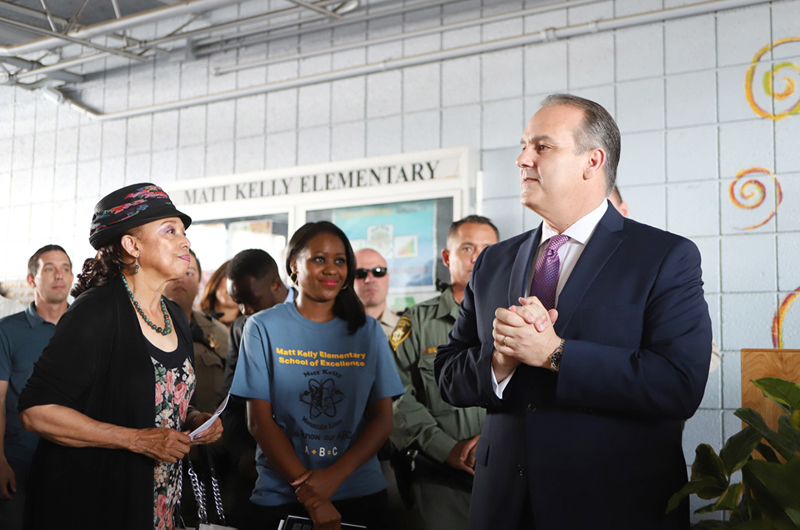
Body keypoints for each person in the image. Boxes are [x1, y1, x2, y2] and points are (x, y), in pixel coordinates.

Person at [435, 94, 712, 529]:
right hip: (502, 505)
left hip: (612, 505)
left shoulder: (664, 256)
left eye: (542, 147)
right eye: (525, 145)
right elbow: (448, 373)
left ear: (592, 161)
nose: (522, 159)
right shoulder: (494, 261)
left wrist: (554, 353)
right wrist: (500, 361)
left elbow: (678, 386)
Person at [18, 183, 223, 530]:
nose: (185, 241)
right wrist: (137, 440)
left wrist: (194, 419)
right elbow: (36, 412)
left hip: (160, 507)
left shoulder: (175, 316)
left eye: (184, 232)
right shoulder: (96, 312)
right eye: (170, 231)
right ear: (132, 245)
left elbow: (156, 395)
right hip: (96, 506)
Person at [230, 221, 403, 530]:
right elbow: (259, 421)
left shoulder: (369, 331)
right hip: (282, 495)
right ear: (293, 266)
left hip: (359, 492)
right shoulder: (261, 328)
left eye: (340, 261)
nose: (331, 269)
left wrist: (333, 477)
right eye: (319, 259)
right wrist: (312, 496)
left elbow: (382, 420)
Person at [389, 215, 499, 530]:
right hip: (440, 480)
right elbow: (394, 395)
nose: (477, 257)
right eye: (467, 248)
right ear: (447, 258)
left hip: (507, 475)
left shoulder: (518, 319)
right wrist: (444, 448)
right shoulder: (416, 323)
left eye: (487, 249)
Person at [220, 248, 295, 529]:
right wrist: (241, 455)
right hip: (259, 469)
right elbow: (231, 401)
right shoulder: (241, 329)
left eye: (251, 301)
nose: (245, 311)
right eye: (238, 302)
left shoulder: (318, 314)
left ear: (276, 284)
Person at [0, 245, 73, 529]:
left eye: (66, 268)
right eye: (50, 268)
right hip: (19, 463)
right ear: (32, 279)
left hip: (73, 464)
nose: (60, 276)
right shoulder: (8, 331)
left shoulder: (87, 327)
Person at [164, 249, 229, 414]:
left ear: (200, 280)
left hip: (210, 432)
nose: (180, 278)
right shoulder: (139, 327)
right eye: (174, 270)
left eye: (189, 273)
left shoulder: (219, 333)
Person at [354, 248, 399, 339]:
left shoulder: (411, 330)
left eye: (378, 272)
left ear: (387, 278)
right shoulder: (332, 330)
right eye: (360, 273)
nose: (369, 280)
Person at [200, 260, 240, 328]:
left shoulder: (251, 329)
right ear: (217, 279)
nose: (235, 285)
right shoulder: (193, 319)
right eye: (230, 277)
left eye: (241, 280)